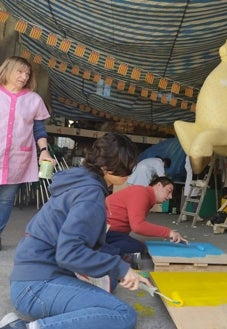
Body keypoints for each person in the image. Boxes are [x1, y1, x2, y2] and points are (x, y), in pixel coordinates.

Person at [0, 132, 153, 329]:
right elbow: (69, 253)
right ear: (106, 168)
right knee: (123, 315)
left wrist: (119, 270)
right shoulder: (90, 195)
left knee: (110, 281)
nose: (130, 174)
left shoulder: (80, 181)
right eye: (128, 168)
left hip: (33, 275)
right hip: (36, 285)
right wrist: (122, 268)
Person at [0, 56, 55, 251]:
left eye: (27, 74)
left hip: (17, 158)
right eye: (20, 72)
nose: (24, 77)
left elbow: (39, 130)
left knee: (6, 201)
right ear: (8, 69)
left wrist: (44, 151)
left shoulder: (33, 99)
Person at [105, 176, 187, 266]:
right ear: (159, 185)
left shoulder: (145, 195)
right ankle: (98, 254)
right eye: (169, 191)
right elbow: (138, 226)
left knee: (137, 246)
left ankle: (103, 251)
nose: (170, 197)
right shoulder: (141, 193)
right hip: (104, 231)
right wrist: (168, 232)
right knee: (136, 247)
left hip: (110, 231)